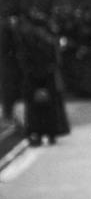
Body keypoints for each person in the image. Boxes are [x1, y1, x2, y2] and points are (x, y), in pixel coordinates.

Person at [17, 9, 71, 146]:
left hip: (38, 76)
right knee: (48, 106)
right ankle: (49, 132)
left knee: (38, 107)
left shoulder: (32, 39)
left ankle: (39, 133)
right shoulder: (48, 39)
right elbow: (56, 60)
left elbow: (26, 60)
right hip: (47, 76)